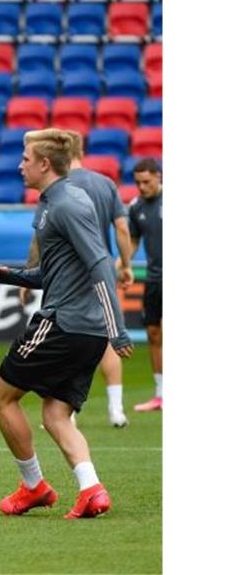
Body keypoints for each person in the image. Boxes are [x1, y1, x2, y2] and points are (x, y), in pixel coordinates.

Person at [0, 129, 133, 519]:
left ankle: (33, 487)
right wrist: (9, 275)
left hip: (65, 324)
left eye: (26, 159)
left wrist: (118, 327)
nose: (20, 165)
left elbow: (100, 263)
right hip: (84, 330)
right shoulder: (55, 202)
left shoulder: (67, 205)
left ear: (44, 164)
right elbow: (50, 273)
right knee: (55, 414)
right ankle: (92, 490)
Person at [21, 131, 136, 427]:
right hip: (101, 270)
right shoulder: (105, 184)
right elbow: (121, 228)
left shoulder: (57, 188)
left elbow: (41, 236)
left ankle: (62, 414)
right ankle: (115, 408)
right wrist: (125, 264)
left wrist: (28, 271)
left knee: (65, 335)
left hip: (66, 277)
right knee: (102, 339)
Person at [128, 157, 162, 413]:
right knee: (153, 333)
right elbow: (133, 241)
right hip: (153, 279)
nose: (141, 187)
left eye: (146, 182)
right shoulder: (135, 206)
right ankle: (161, 394)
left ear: (159, 177)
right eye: (138, 182)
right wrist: (122, 263)